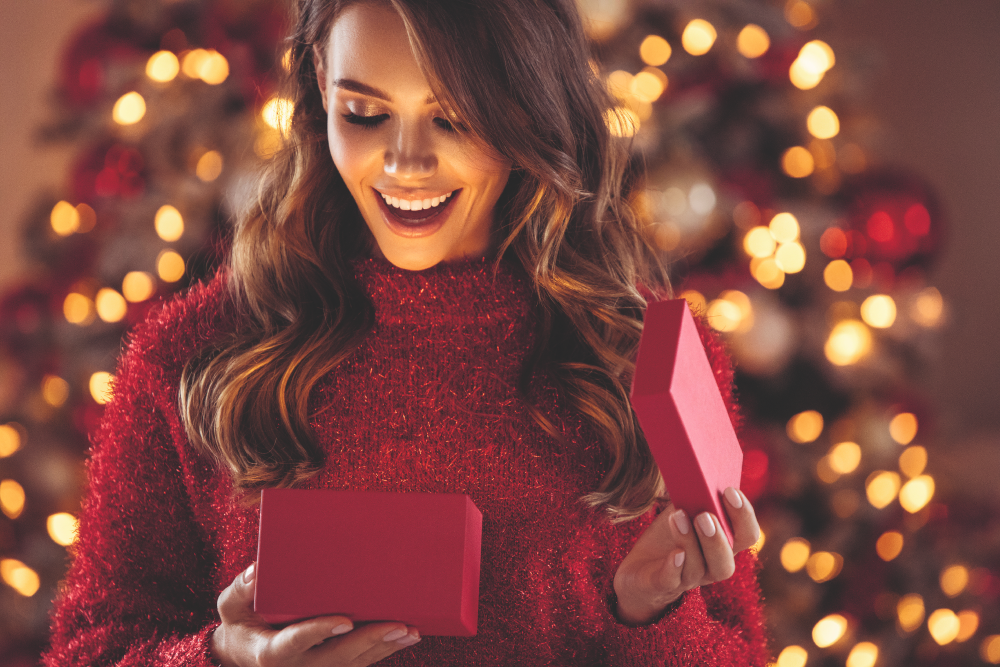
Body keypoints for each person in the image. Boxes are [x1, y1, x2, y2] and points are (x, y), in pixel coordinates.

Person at [43, 0, 770, 665]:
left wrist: (648, 616)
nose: (404, 164)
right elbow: (91, 648)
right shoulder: (197, 353)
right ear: (320, 83)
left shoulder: (645, 356)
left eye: (455, 118)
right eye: (364, 115)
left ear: (528, 108)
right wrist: (218, 656)